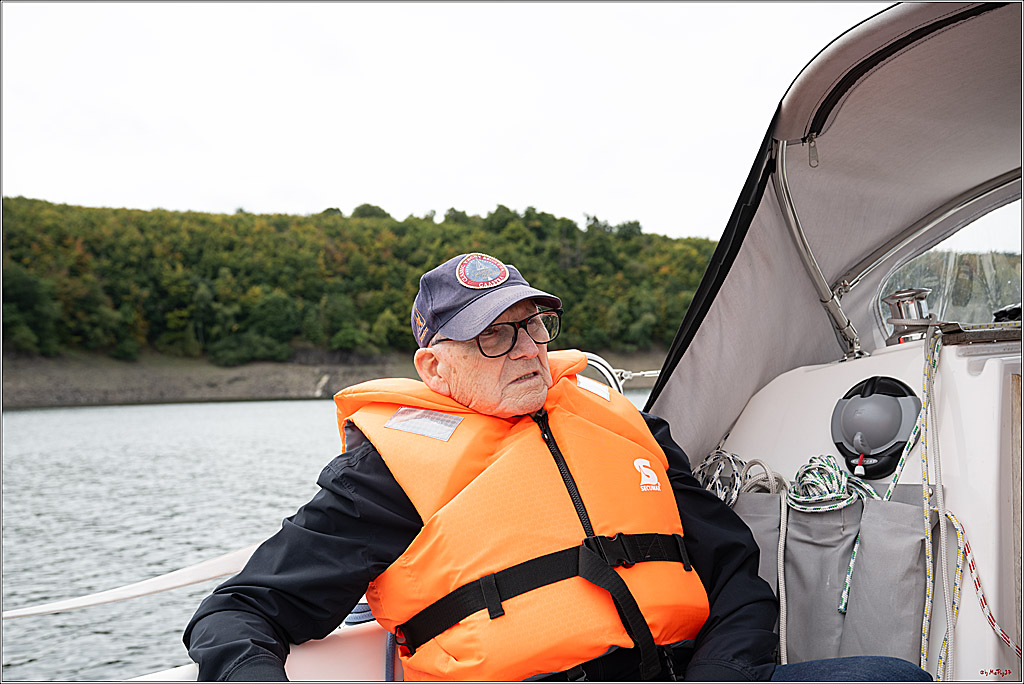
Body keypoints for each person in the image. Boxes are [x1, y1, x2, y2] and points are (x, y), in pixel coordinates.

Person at [184, 253, 930, 682]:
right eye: (495, 338)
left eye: (534, 324)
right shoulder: (384, 477)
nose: (530, 349)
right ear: (433, 366)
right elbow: (236, 613)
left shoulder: (627, 428)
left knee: (892, 680)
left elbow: (732, 568)